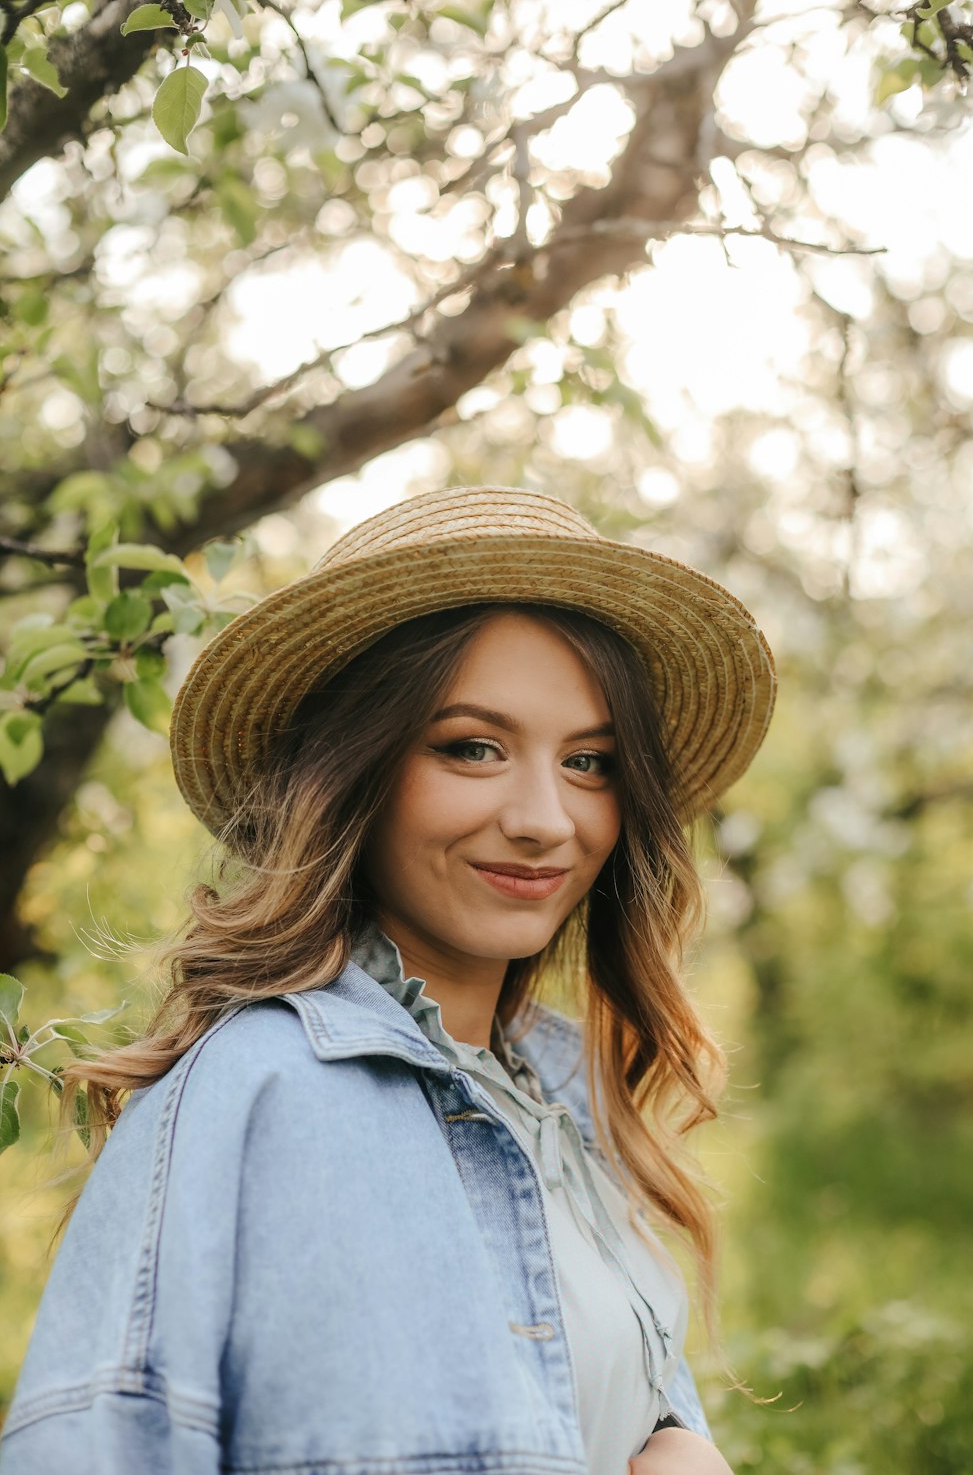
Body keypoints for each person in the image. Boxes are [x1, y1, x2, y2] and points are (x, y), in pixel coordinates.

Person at [0, 485, 776, 1475]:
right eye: (472, 748)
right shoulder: (251, 1090)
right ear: (353, 770)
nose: (546, 817)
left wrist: (682, 1447)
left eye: (589, 762)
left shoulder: (567, 1094)